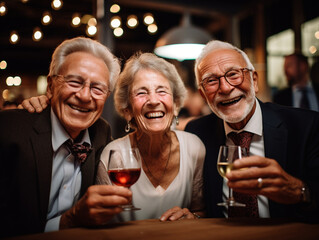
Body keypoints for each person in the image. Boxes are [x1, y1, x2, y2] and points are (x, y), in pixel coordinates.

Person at [0, 37, 132, 238]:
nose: (85, 96)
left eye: (97, 88)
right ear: (51, 86)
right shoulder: (8, 130)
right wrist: (70, 220)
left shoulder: (100, 133)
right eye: (74, 82)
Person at [185, 40, 319, 221]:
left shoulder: (305, 125)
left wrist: (299, 190)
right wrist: (193, 215)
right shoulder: (197, 132)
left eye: (233, 74)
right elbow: (201, 204)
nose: (225, 88)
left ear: (254, 81)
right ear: (203, 95)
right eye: (211, 81)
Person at [96, 52, 205, 222]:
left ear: (176, 105)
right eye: (141, 93)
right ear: (128, 110)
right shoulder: (113, 155)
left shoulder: (194, 148)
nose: (153, 100)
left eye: (162, 91)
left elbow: (202, 211)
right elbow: (100, 219)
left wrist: (193, 216)